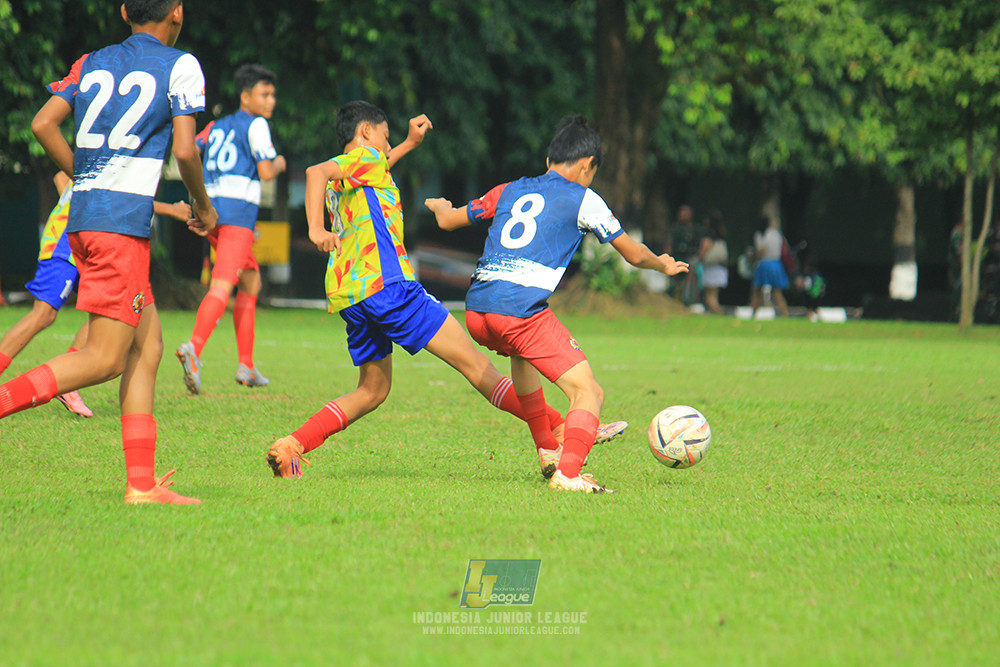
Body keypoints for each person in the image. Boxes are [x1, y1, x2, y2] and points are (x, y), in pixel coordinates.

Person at [265, 101, 602, 481]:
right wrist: (313, 229)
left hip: (353, 295)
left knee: (373, 390)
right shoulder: (361, 159)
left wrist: (409, 143)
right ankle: (557, 428)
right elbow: (314, 171)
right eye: (385, 138)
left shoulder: (357, 172)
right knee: (476, 366)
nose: (387, 148)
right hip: (389, 288)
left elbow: (367, 168)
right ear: (364, 135)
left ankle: (293, 444)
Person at [4, 0, 218, 504]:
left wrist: (85, 178)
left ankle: (140, 485)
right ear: (178, 13)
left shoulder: (92, 59)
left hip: (86, 220)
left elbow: (42, 124)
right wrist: (202, 208)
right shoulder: (180, 65)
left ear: (124, 12)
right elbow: (186, 151)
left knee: (147, 348)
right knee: (103, 359)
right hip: (120, 228)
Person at [425, 115, 689, 493]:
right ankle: (568, 473)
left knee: (521, 356)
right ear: (587, 165)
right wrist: (661, 262)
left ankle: (548, 450)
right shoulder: (584, 198)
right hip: (517, 311)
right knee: (589, 392)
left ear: (550, 158)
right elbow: (632, 253)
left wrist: (439, 206)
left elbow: (450, 220)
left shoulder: (510, 189)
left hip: (477, 311)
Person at [0, 172, 193, 418]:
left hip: (94, 237)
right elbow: (64, 176)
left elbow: (65, 177)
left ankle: (69, 381)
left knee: (110, 312)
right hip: (66, 239)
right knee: (44, 314)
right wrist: (172, 209)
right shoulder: (115, 152)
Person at [176, 64, 286, 394]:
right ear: (245, 96)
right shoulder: (257, 125)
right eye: (264, 94)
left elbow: (189, 150)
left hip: (212, 212)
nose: (271, 101)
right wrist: (280, 162)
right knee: (223, 286)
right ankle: (194, 349)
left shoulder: (216, 126)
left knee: (251, 281)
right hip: (237, 217)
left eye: (272, 95)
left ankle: (246, 366)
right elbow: (266, 171)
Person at [750, 215, 790, 317]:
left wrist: (753, 256)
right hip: (776, 263)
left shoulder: (760, 234)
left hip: (765, 263)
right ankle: (785, 313)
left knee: (757, 290)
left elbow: (762, 250)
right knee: (777, 291)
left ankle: (754, 313)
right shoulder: (777, 234)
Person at [666, 204, 704, 306]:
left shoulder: (696, 229)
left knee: (689, 284)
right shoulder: (675, 228)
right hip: (677, 257)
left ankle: (688, 303)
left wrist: (697, 258)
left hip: (690, 260)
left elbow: (701, 245)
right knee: (674, 282)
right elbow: (670, 243)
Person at [698, 209, 729, 314]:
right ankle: (714, 312)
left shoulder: (708, 234)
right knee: (714, 294)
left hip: (711, 267)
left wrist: (699, 257)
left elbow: (705, 246)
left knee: (709, 295)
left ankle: (720, 312)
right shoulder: (722, 233)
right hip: (720, 266)